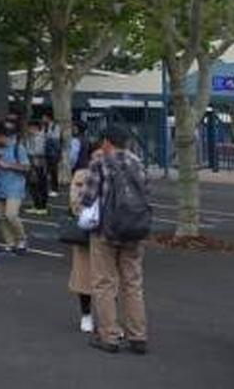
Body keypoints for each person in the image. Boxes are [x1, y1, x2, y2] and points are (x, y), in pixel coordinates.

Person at [81, 125, 150, 355]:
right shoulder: (138, 163)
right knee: (133, 283)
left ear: (107, 142)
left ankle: (109, 335)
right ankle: (138, 335)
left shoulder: (100, 162)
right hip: (135, 229)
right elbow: (146, 195)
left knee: (104, 283)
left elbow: (87, 198)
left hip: (107, 230)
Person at [68, 136, 99, 335]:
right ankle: (86, 314)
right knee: (84, 277)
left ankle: (109, 318)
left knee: (110, 280)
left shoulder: (116, 173)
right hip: (86, 233)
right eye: (97, 155)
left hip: (110, 233)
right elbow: (75, 203)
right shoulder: (81, 175)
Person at [0, 122, 29, 254]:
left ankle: (21, 240)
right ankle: (10, 242)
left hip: (15, 187)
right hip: (0, 185)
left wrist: (8, 165)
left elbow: (26, 167)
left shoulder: (18, 147)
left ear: (1, 136)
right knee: (2, 217)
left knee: (11, 215)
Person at [24, 119, 50, 215]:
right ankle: (36, 205)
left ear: (34, 127)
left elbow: (39, 151)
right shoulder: (31, 137)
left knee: (39, 185)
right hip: (32, 163)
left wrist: (29, 153)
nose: (28, 129)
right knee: (33, 185)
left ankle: (41, 206)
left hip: (38, 164)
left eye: (30, 127)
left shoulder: (39, 137)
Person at [43, 112, 62, 196]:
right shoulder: (45, 126)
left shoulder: (55, 126)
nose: (43, 119)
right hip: (46, 151)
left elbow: (55, 138)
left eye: (44, 117)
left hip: (53, 152)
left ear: (48, 118)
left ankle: (55, 189)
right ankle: (47, 188)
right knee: (46, 171)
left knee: (53, 171)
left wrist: (47, 136)